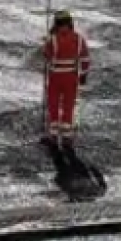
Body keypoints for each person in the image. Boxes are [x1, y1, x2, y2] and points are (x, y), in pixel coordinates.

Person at [42, 10, 90, 147]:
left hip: (55, 77)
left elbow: (46, 55)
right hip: (71, 78)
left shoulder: (53, 39)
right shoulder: (79, 39)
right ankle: (67, 137)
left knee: (53, 104)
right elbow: (85, 58)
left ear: (56, 24)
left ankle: (53, 134)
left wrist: (47, 41)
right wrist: (84, 74)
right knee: (68, 105)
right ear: (70, 23)